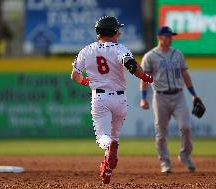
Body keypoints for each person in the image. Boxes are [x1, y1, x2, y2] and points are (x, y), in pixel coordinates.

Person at [71, 16, 153, 184]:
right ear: (114, 31)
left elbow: (75, 75)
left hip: (100, 97)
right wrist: (145, 77)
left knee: (103, 137)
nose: (119, 32)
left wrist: (86, 81)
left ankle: (109, 149)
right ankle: (107, 170)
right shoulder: (119, 48)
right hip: (120, 99)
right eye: (118, 29)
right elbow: (131, 66)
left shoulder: (87, 50)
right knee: (114, 137)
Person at [140, 26, 202, 173]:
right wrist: (143, 98)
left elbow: (185, 75)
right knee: (161, 133)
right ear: (160, 37)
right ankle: (165, 162)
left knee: (186, 127)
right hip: (160, 96)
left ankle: (185, 155)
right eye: (167, 36)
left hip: (178, 95)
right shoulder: (150, 56)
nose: (170, 38)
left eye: (171, 36)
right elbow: (144, 79)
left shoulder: (178, 54)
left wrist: (194, 94)